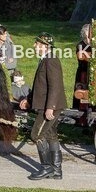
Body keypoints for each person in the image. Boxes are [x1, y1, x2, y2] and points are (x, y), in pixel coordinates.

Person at [28, 33, 66, 181]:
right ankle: (57, 170)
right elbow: (41, 85)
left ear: (45, 46)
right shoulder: (45, 59)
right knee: (51, 136)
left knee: (36, 135)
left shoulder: (51, 60)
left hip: (48, 107)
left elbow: (55, 86)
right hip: (46, 105)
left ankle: (46, 168)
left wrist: (51, 107)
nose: (34, 46)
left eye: (37, 44)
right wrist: (29, 99)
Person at [72, 24, 93, 115]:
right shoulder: (80, 45)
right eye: (87, 35)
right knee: (81, 93)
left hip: (93, 73)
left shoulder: (95, 44)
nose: (88, 38)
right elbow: (82, 56)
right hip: (83, 73)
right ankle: (81, 117)